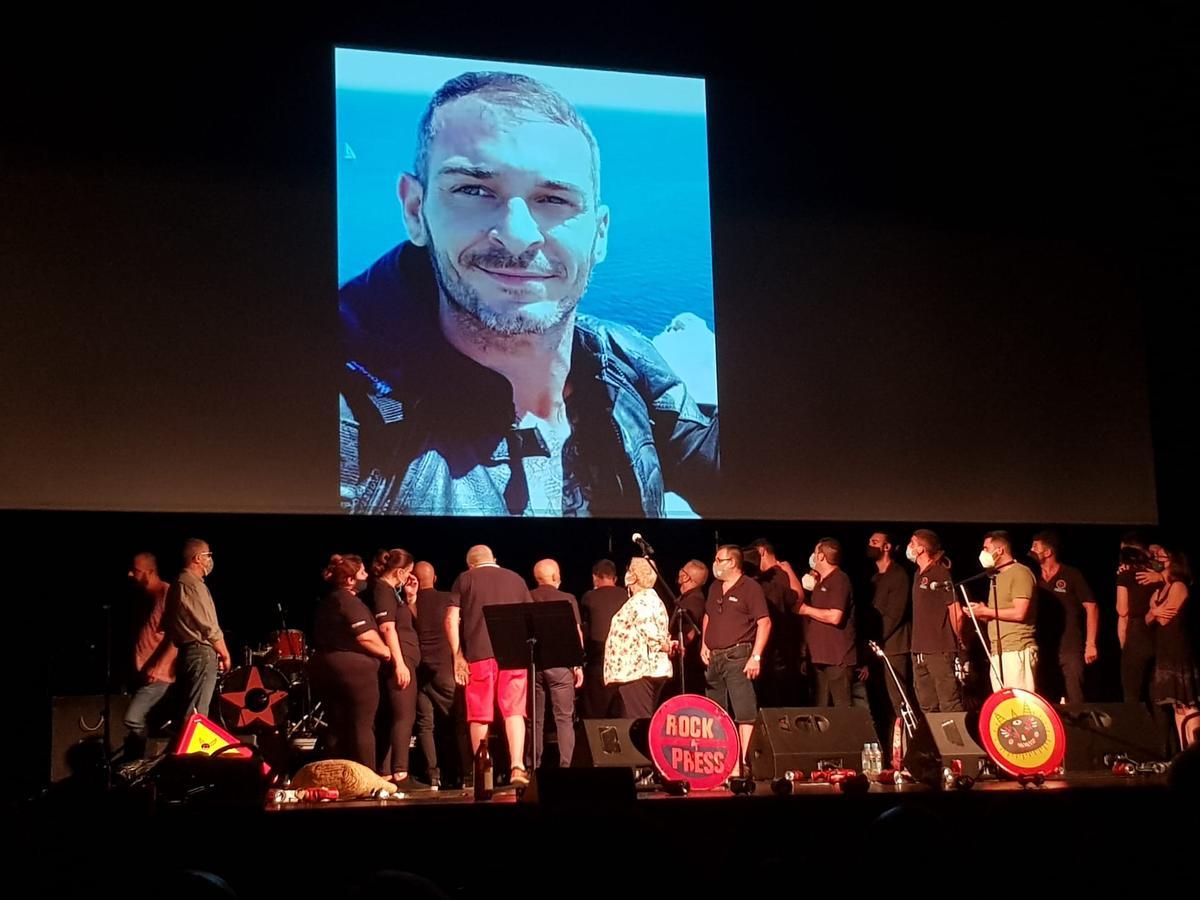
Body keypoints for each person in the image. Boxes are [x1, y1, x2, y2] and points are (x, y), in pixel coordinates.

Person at [339, 71, 718, 517]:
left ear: (599, 235)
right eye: (474, 190)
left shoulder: (625, 366)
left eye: (554, 199)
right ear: (415, 211)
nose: (518, 237)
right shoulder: (351, 410)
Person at [446, 545, 533, 786]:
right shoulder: (516, 578)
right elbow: (530, 617)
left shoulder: (465, 579)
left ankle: (482, 772)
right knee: (514, 711)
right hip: (514, 654)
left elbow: (451, 618)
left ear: (470, 565)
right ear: (494, 559)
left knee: (479, 714)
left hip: (479, 654)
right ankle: (517, 767)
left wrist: (458, 655)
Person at [310, 554, 392, 768]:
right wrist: (386, 652)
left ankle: (333, 775)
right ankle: (368, 779)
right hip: (354, 671)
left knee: (336, 726)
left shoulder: (329, 601)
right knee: (362, 726)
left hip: (325, 667)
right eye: (363, 573)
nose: (367, 576)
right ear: (350, 580)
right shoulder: (348, 601)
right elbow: (365, 636)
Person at [701, 545, 770, 773]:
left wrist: (756, 656)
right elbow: (708, 615)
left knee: (744, 712)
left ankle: (742, 764)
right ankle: (722, 761)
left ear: (732, 562)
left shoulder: (750, 587)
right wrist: (704, 644)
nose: (715, 563)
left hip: (738, 655)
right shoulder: (714, 587)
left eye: (719, 559)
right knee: (716, 712)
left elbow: (764, 623)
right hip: (715, 658)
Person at [412, 561, 470, 789]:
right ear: (434, 578)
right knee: (459, 725)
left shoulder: (409, 604)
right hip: (446, 670)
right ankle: (465, 774)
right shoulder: (449, 599)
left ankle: (433, 775)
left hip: (420, 673)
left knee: (426, 725)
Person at [369, 548, 421, 784]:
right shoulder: (382, 590)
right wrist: (400, 663)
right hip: (399, 661)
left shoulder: (392, 592)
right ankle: (401, 771)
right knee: (404, 715)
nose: (409, 577)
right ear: (400, 571)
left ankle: (388, 772)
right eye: (408, 572)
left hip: (405, 658)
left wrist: (410, 597)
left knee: (395, 716)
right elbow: (387, 627)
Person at [163, 539, 231, 721]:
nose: (210, 560)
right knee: (196, 716)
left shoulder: (178, 584)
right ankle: (193, 750)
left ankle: (184, 747)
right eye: (208, 555)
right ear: (197, 558)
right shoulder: (191, 584)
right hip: (200, 652)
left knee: (188, 711)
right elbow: (209, 626)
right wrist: (224, 654)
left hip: (187, 653)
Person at [1030, 531, 1098, 703]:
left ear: (1048, 552)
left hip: (1070, 644)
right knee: (1045, 696)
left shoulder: (1071, 574)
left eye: (1035, 546)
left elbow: (1091, 606)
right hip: (1042, 645)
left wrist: (1090, 643)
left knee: (1075, 694)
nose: (1031, 550)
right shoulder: (1031, 576)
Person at [529, 559, 584, 767]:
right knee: (563, 718)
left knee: (536, 719)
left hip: (535, 666)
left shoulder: (528, 597)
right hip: (561, 665)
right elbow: (576, 633)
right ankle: (566, 766)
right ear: (555, 577)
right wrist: (578, 666)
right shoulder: (567, 598)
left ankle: (534, 766)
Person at [968, 531, 1038, 692]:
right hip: (998, 651)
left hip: (1017, 648)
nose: (983, 553)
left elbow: (1020, 613)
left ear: (999, 550)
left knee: (1021, 704)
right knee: (1003, 705)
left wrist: (987, 610)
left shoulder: (1020, 573)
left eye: (986, 548)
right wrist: (981, 613)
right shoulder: (996, 576)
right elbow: (998, 615)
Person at [604, 557, 672, 717]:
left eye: (629, 571)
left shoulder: (640, 602)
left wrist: (664, 645)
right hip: (639, 672)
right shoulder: (650, 599)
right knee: (639, 718)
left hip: (638, 672)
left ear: (633, 577)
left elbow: (650, 630)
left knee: (639, 720)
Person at [123, 552, 177, 754]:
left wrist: (160, 665)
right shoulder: (149, 599)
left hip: (160, 675)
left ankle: (145, 755)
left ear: (150, 572)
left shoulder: (168, 594)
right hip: (146, 674)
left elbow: (176, 636)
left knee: (133, 718)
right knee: (152, 721)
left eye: (135, 570)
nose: (130, 574)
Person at [1146, 547, 1199, 749]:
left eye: (1162, 556)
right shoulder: (1159, 591)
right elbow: (1148, 618)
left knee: (1187, 704)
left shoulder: (1179, 586)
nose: (1157, 560)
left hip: (1179, 649)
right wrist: (1155, 611)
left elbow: (1167, 616)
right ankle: (1185, 749)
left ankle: (1194, 747)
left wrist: (1155, 611)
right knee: (1177, 705)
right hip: (1165, 650)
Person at [907, 530, 964, 713]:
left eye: (912, 543)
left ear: (921, 549)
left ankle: (958, 742)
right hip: (919, 650)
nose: (909, 547)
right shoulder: (918, 574)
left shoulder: (940, 573)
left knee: (949, 703)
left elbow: (956, 611)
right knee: (927, 705)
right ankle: (933, 741)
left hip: (939, 649)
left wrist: (960, 640)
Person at [795, 539, 856, 706]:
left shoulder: (839, 580)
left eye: (815, 553)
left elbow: (835, 617)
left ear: (821, 556)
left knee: (843, 710)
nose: (813, 556)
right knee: (821, 711)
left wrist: (805, 609)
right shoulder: (821, 580)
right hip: (819, 657)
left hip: (837, 658)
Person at [867, 532, 912, 725]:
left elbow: (895, 614)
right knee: (881, 702)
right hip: (878, 648)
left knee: (898, 699)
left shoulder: (898, 575)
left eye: (875, 542)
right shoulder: (875, 579)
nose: (870, 545)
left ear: (887, 547)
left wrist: (876, 638)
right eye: (870, 542)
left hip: (894, 646)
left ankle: (907, 743)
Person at [579, 559, 629, 717]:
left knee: (595, 706)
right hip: (624, 658)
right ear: (615, 578)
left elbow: (585, 628)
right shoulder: (626, 595)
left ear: (595, 577)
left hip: (599, 657)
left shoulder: (589, 597)